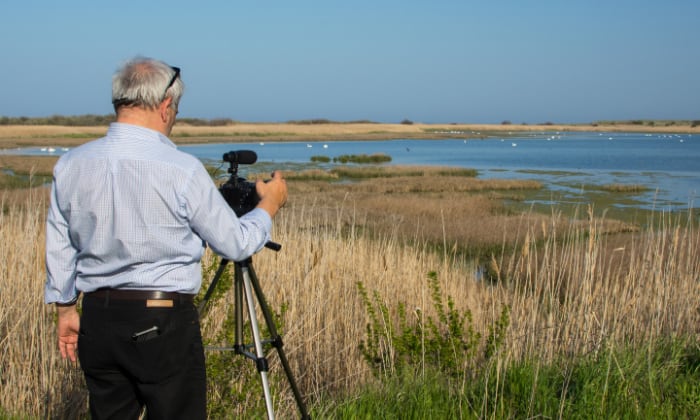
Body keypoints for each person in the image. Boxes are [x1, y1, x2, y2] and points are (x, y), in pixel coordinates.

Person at [44, 56, 288, 419]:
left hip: (98, 318)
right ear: (164, 106)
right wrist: (268, 205)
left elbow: (60, 243)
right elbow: (235, 243)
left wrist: (65, 308)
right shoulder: (182, 170)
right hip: (163, 320)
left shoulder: (71, 165)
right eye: (176, 109)